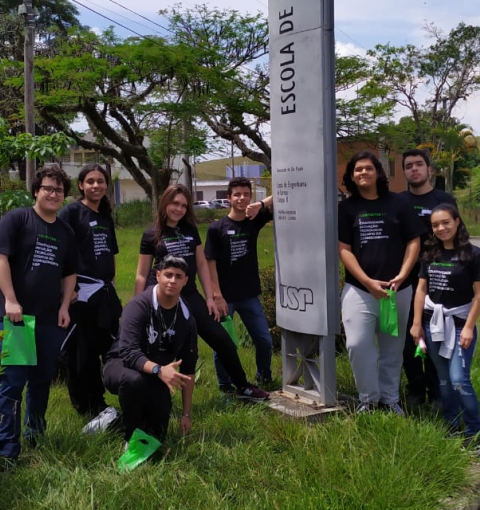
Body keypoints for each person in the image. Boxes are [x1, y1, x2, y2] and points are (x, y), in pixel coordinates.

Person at [135, 183, 269, 401]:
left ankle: (243, 387)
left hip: (188, 295)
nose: (178, 209)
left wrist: (210, 297)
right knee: (159, 348)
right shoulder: (151, 234)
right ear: (165, 203)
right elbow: (142, 274)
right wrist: (138, 306)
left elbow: (201, 264)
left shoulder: (190, 230)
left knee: (222, 339)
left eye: (183, 206)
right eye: (174, 204)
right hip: (161, 298)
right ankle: (151, 392)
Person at [0, 164, 77, 469]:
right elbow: (1, 259)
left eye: (59, 190)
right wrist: (10, 299)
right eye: (48, 188)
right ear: (36, 190)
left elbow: (70, 273)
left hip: (48, 321)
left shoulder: (65, 231)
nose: (53, 194)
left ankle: (35, 436)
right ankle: (8, 450)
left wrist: (64, 307)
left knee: (42, 381)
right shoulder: (18, 219)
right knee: (12, 384)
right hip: (18, 319)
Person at [338, 150, 424, 414]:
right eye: (357, 170)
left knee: (392, 348)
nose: (363, 173)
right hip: (360, 290)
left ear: (378, 173)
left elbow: (414, 242)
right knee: (357, 344)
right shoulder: (347, 208)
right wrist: (367, 282)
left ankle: (389, 398)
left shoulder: (399, 204)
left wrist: (402, 274)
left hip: (397, 290)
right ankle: (368, 398)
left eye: (368, 168)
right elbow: (344, 249)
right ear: (352, 176)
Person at [104, 256, 197, 443]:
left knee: (157, 434)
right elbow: (129, 353)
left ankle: (112, 420)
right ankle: (128, 439)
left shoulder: (187, 318)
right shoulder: (138, 306)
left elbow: (188, 369)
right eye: (168, 275)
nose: (172, 280)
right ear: (158, 276)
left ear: (185, 281)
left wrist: (186, 414)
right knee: (134, 381)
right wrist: (159, 370)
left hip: (157, 372)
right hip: (120, 364)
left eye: (178, 276)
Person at [410, 204, 480, 445]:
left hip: (460, 324)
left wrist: (470, 326)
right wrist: (417, 324)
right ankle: (451, 426)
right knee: (443, 380)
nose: (441, 228)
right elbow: (421, 289)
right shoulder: (430, 253)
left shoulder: (473, 254)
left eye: (445, 222)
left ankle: (474, 431)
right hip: (433, 326)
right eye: (436, 225)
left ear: (457, 222)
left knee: (459, 379)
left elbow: (479, 294)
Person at [58, 163, 122, 418]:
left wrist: (113, 283)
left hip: (104, 295)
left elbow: (111, 253)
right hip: (80, 294)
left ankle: (107, 399)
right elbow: (60, 252)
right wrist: (65, 290)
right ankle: (86, 406)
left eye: (101, 181)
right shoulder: (71, 212)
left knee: (108, 348)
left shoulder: (105, 216)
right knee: (80, 355)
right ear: (82, 185)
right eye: (90, 181)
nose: (96, 186)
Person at [204, 177, 274, 391]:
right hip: (225, 298)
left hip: (249, 295)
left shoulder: (254, 219)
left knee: (264, 340)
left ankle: (264, 376)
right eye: (237, 194)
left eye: (246, 194)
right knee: (222, 345)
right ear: (229, 198)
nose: (242, 198)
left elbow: (282, 194)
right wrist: (216, 295)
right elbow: (210, 263)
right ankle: (225, 386)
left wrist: (261, 205)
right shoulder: (216, 229)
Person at [400, 149, 457, 408]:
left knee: (437, 333)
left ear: (429, 169)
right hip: (405, 277)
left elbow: (455, 237)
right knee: (407, 335)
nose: (414, 169)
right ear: (404, 172)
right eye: (409, 166)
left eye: (419, 164)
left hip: (439, 277)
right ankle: (415, 387)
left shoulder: (443, 199)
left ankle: (436, 390)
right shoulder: (398, 201)